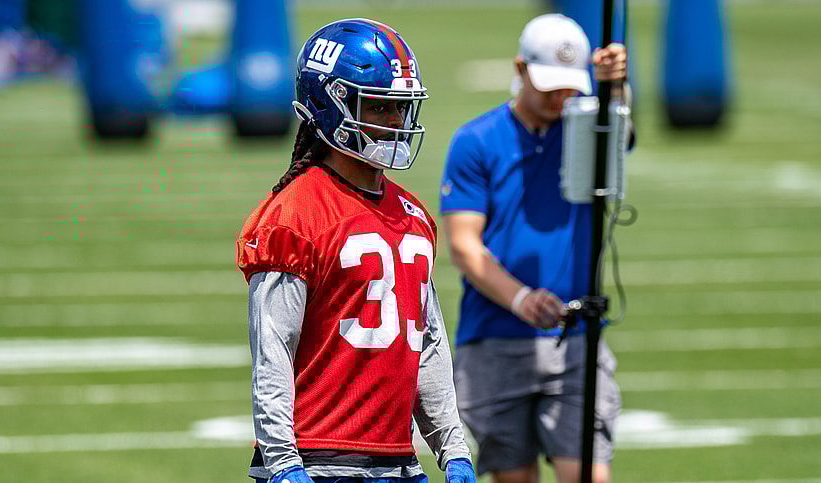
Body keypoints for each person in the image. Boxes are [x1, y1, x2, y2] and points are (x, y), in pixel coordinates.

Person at [235, 18, 476, 483]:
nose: (394, 122)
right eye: (380, 106)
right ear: (329, 104)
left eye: (400, 108)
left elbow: (426, 341)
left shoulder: (413, 214)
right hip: (316, 458)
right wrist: (283, 460)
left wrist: (452, 447)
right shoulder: (296, 213)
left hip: (398, 462)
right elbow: (273, 350)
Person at [439, 13, 630, 483]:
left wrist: (617, 87)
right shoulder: (476, 140)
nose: (561, 97)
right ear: (520, 70)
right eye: (549, 85)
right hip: (495, 338)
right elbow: (464, 245)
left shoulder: (587, 126)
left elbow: (619, 136)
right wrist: (521, 299)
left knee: (589, 475)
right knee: (515, 478)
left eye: (570, 86)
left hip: (576, 339)